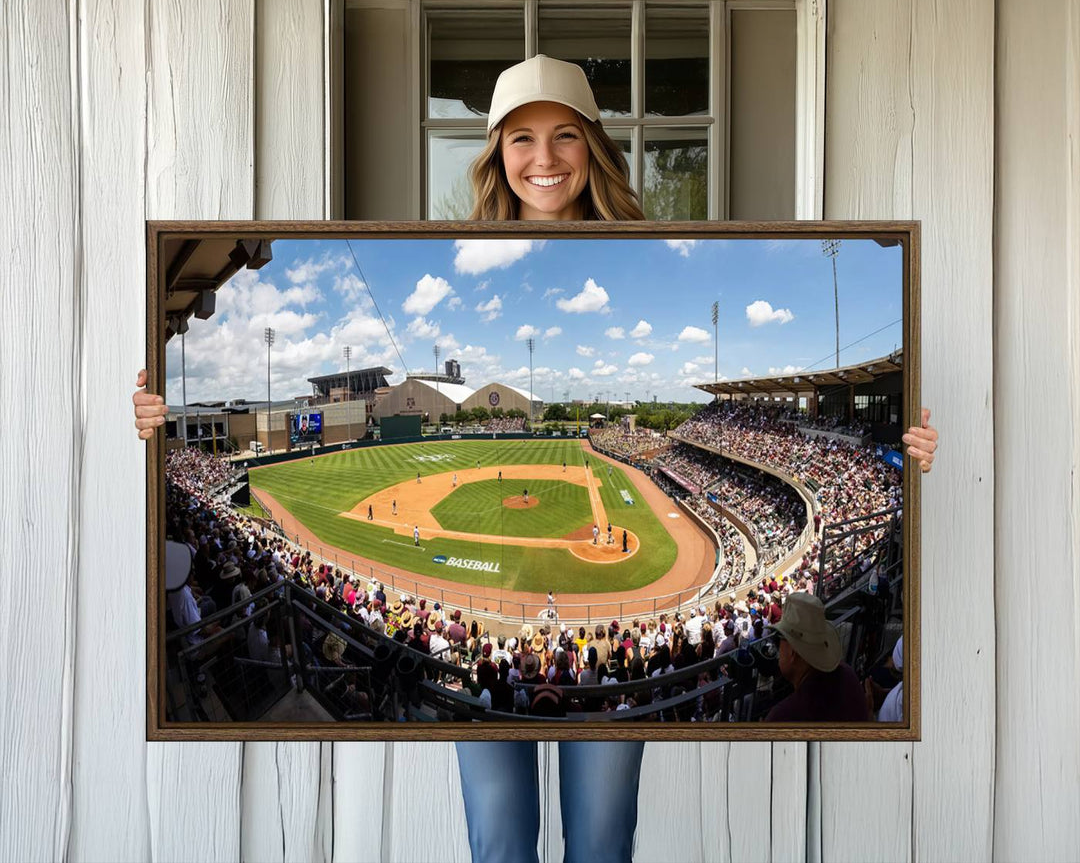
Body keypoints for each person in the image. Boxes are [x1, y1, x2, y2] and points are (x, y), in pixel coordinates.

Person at [131, 54, 940, 863]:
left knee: (598, 839)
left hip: (564, 705)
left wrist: (901, 439)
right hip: (508, 709)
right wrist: (156, 417)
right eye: (521, 138)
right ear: (495, 153)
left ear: (593, 146)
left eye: (564, 136)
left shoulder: (655, 238)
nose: (544, 158)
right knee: (500, 839)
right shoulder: (447, 236)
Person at [764, 593, 869, 722]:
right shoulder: (848, 675)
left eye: (779, 640)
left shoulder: (783, 717)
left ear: (792, 652)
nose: (778, 647)